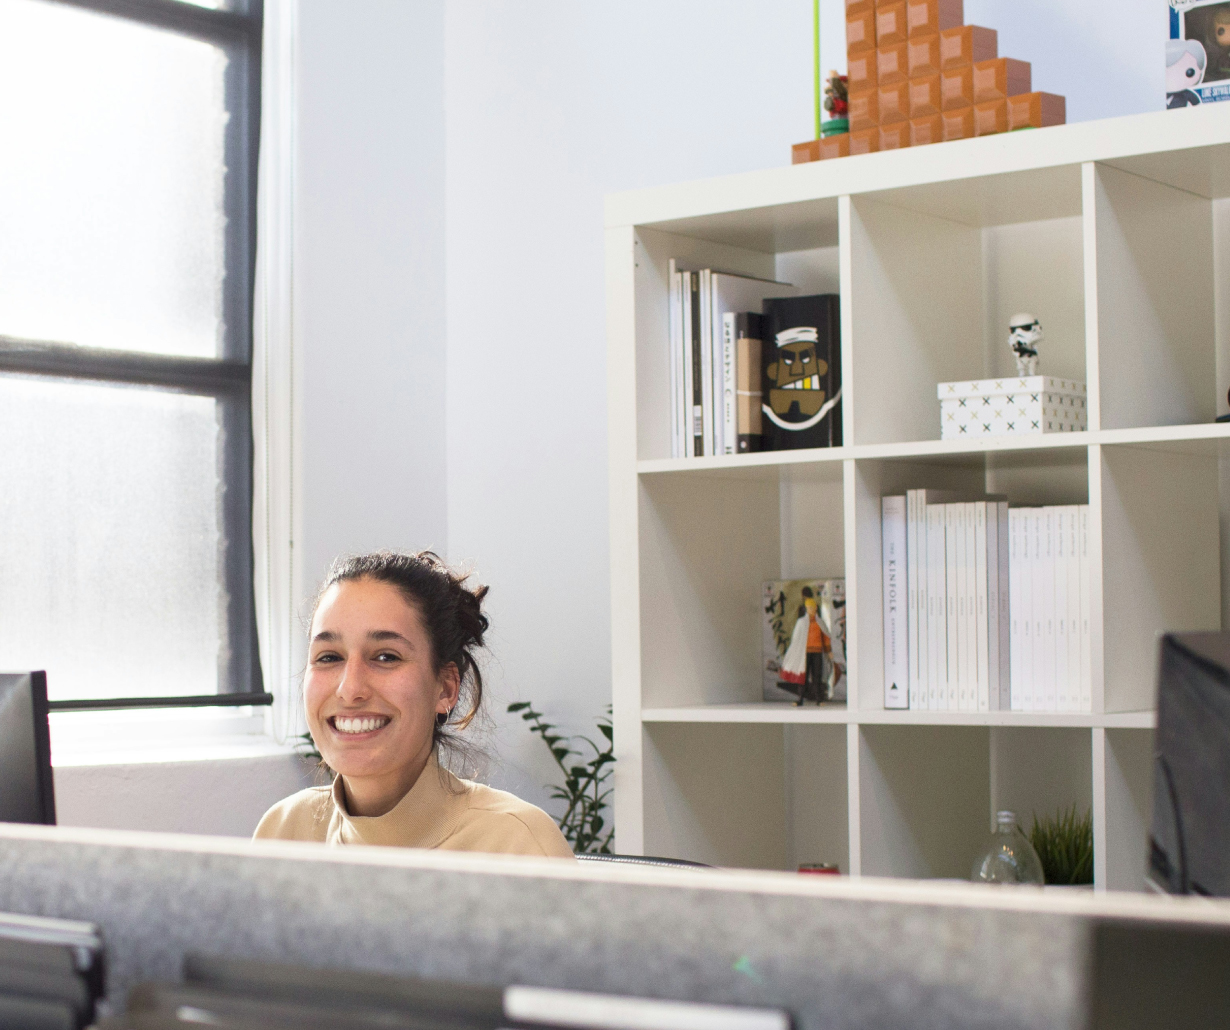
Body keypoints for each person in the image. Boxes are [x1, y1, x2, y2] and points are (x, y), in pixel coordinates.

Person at [254, 551, 574, 859]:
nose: (349, 689)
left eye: (386, 657)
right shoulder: (284, 831)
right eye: (329, 657)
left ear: (446, 688)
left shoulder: (518, 845)